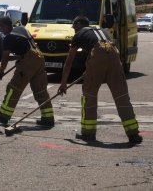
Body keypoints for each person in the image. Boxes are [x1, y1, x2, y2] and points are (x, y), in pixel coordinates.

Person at [58, 15, 142, 145]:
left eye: (74, 27)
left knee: (89, 95)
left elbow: (69, 62)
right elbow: (105, 56)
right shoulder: (101, 31)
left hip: (97, 55)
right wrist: (91, 69)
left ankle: (88, 133)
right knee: (122, 96)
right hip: (114, 55)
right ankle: (133, 134)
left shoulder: (79, 34)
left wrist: (63, 83)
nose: (74, 30)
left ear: (79, 25)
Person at [0, 16, 54, 127]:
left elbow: (5, 57)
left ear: (5, 26)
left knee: (14, 88)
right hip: (39, 57)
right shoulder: (21, 29)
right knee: (40, 90)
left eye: (0, 27)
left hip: (28, 60)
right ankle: (48, 118)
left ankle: (3, 115)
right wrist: (18, 58)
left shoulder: (8, 38)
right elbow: (24, 49)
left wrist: (1, 72)